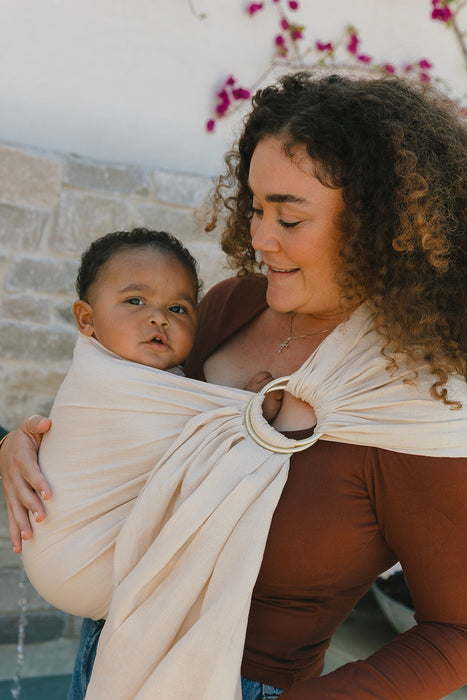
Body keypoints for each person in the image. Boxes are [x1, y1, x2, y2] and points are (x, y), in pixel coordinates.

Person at [1, 71, 467, 700]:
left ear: (375, 228)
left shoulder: (413, 402)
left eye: (290, 218)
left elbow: (456, 630)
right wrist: (27, 447)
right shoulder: (227, 307)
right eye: (256, 206)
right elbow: (131, 428)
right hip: (111, 654)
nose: (259, 237)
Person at [20, 227, 279, 623]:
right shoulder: (102, 380)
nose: (158, 317)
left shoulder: (168, 384)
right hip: (81, 555)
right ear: (86, 320)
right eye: (135, 301)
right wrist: (249, 407)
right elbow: (206, 434)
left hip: (113, 583)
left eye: (179, 309)